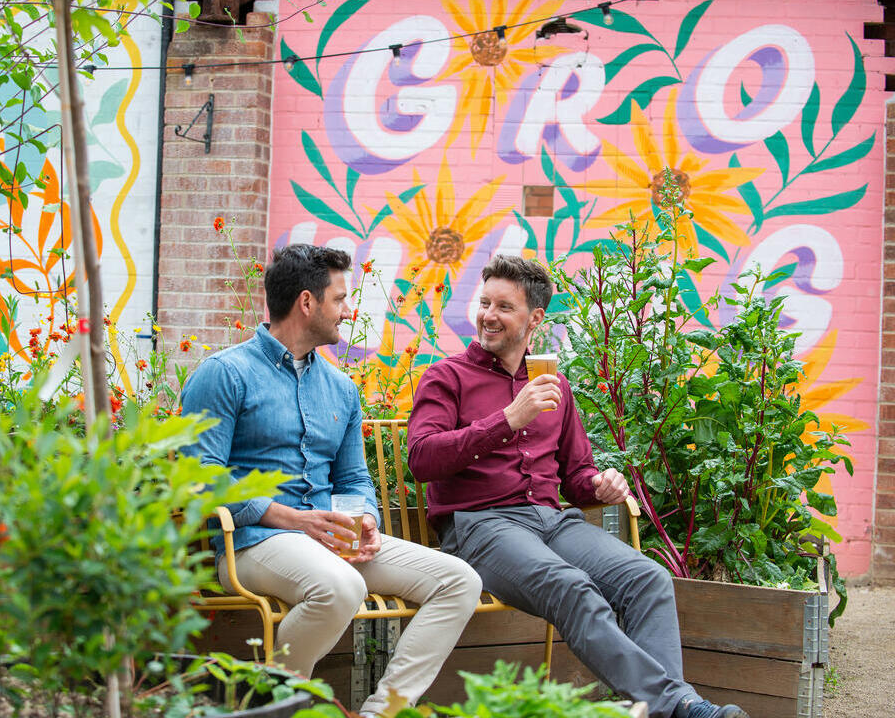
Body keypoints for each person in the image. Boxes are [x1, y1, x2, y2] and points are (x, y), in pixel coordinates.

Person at [407, 254, 749, 718]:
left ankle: (667, 709)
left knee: (647, 579)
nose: (488, 315)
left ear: (535, 318)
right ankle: (680, 706)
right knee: (572, 587)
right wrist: (509, 419)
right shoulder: (447, 377)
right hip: (482, 526)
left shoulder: (554, 386)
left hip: (550, 522)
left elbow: (576, 476)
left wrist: (600, 484)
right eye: (485, 303)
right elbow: (422, 459)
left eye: (504, 307)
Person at [182, 244, 482, 717]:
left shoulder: (341, 388)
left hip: (328, 540)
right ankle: (273, 705)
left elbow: (354, 478)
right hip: (252, 542)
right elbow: (200, 478)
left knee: (459, 581)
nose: (347, 311)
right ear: (307, 302)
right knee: (341, 586)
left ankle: (384, 712)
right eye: (340, 299)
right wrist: (294, 519)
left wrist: (365, 519)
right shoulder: (225, 374)